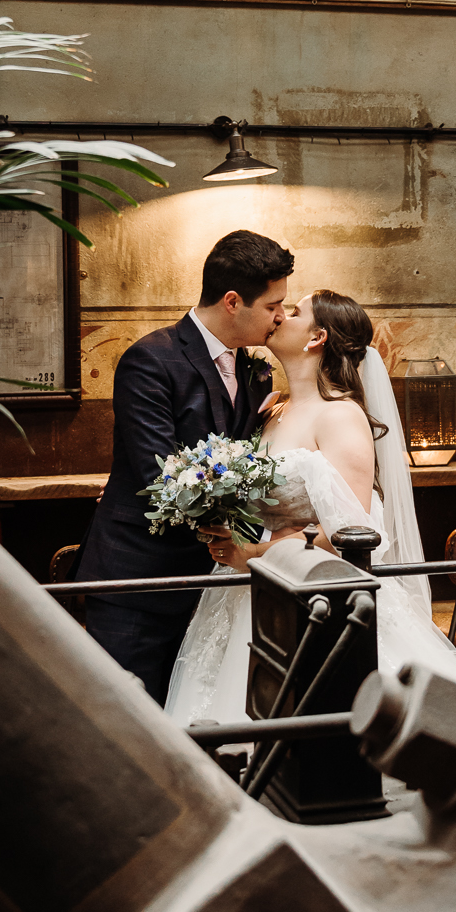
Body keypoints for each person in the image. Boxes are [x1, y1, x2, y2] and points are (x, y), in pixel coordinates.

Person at [164, 290, 456, 731]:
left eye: (294, 311)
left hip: (311, 600)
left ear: (316, 337)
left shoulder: (340, 416)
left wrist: (255, 555)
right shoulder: (272, 409)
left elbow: (353, 533)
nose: (280, 316)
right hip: (247, 593)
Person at [77, 230, 294, 703]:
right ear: (233, 301)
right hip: (139, 583)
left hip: (213, 587)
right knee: (128, 717)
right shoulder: (150, 360)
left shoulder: (259, 373)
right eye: (274, 304)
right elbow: (160, 478)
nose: (280, 317)